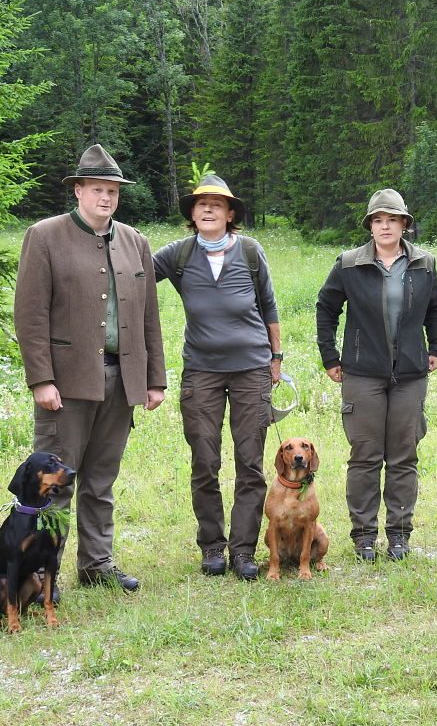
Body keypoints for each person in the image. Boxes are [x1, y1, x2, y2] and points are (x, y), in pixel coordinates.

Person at [14, 144, 166, 593]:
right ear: (77, 191)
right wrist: (41, 378)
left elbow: (149, 317)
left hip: (122, 380)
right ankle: (42, 573)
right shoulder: (45, 236)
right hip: (68, 381)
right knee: (54, 483)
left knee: (101, 479)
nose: (106, 197)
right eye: (97, 189)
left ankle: (96, 563)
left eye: (113, 190)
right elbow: (30, 315)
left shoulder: (136, 241)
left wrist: (154, 378)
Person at [152, 175, 282, 581]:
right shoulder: (178, 254)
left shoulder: (250, 251)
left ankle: (244, 551)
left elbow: (270, 308)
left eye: (216, 204)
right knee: (204, 461)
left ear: (230, 214)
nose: (207, 209)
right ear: (192, 214)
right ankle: (212, 547)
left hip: (251, 369)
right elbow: (130, 274)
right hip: (201, 372)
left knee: (250, 462)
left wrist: (275, 358)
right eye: (200, 204)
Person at [316, 189, 437, 562]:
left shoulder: (425, 263)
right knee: (365, 456)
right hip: (361, 372)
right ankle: (364, 536)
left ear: (405, 224)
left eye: (392, 219)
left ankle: (400, 535)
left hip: (409, 373)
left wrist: (436, 346)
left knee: (404, 455)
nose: (384, 226)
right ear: (370, 226)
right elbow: (326, 308)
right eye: (377, 220)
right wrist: (330, 355)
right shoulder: (348, 264)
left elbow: (435, 308)